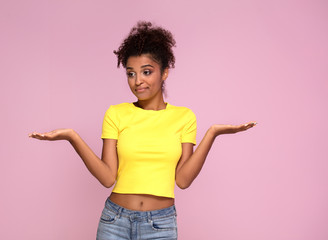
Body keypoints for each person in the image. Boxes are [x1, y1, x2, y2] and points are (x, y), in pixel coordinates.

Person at [29, 21, 256, 240]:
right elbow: (108, 177)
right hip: (114, 221)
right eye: (131, 73)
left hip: (161, 224)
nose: (138, 81)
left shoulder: (184, 117)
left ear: (164, 72)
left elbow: (183, 180)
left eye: (146, 72)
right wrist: (72, 137)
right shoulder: (116, 113)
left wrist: (212, 133)